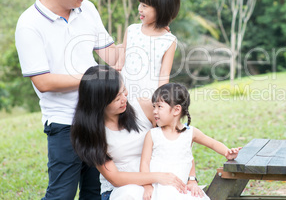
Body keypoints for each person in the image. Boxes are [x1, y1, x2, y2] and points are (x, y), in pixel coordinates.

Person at [15, 0, 121, 199]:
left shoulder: (88, 10)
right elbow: (43, 82)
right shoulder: (29, 24)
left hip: (99, 118)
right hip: (64, 124)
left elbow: (114, 58)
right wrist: (92, 79)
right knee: (61, 194)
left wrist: (145, 30)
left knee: (96, 193)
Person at [71, 65, 198, 200]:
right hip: (122, 189)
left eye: (124, 91)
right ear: (99, 102)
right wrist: (158, 176)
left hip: (160, 184)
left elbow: (179, 139)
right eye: (117, 98)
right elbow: (116, 178)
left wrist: (191, 179)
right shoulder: (91, 132)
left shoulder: (145, 107)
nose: (124, 99)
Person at [140, 83, 242, 200]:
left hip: (182, 189)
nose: (154, 111)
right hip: (158, 188)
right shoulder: (153, 135)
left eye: (159, 107)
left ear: (176, 110)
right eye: (154, 107)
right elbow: (144, 163)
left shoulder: (189, 132)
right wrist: (147, 186)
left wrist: (227, 152)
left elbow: (212, 143)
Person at [115, 0, 180, 99]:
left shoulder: (169, 40)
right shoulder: (131, 30)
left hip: (148, 99)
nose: (140, 9)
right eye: (140, 4)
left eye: (145, 6)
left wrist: (159, 101)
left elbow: (164, 75)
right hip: (124, 96)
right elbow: (120, 64)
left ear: (161, 10)